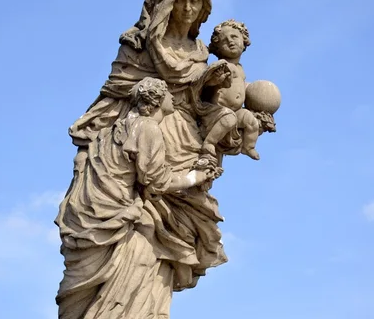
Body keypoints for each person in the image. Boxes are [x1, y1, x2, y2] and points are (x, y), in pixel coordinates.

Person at [56, 77, 220, 319]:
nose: (172, 98)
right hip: (115, 220)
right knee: (142, 257)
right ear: (156, 100)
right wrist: (195, 177)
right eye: (167, 94)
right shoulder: (147, 128)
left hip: (91, 216)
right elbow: (157, 180)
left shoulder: (108, 132)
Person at [201, 19, 261, 160]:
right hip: (216, 110)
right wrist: (216, 81)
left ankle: (248, 147)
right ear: (217, 47)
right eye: (224, 40)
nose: (230, 41)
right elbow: (205, 84)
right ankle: (209, 142)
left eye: (234, 37)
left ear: (244, 39)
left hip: (236, 111)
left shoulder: (240, 69)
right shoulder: (221, 65)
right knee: (229, 119)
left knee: (251, 122)